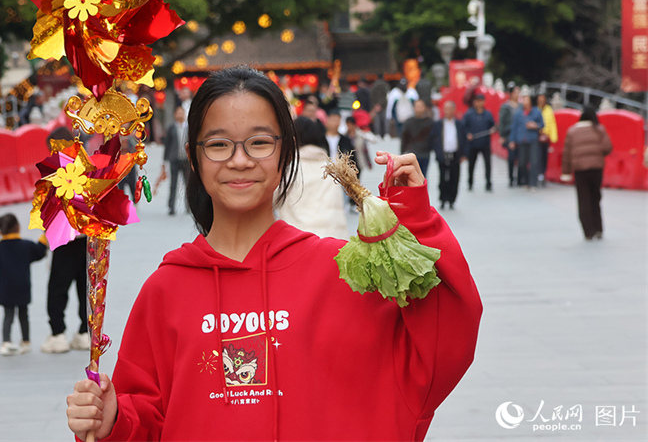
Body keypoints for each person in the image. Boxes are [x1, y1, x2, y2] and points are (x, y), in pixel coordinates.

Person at [66, 65, 482, 442]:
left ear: (285, 154)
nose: (240, 160)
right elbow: (148, 418)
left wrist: (416, 220)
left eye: (259, 143)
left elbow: (443, 341)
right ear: (193, 157)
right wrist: (113, 420)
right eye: (218, 145)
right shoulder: (165, 291)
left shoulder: (342, 273)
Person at [41, 127, 90, 355]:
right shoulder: (87, 168)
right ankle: (83, 333)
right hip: (87, 239)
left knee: (58, 288)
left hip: (65, 240)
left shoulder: (56, 173)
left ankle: (58, 334)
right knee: (84, 287)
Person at [0, 213, 48, 356]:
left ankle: (6, 341)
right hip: (22, 287)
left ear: (0, 231)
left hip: (5, 289)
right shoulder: (26, 246)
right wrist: (44, 235)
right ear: (18, 227)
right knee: (23, 315)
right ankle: (26, 341)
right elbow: (39, 251)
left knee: (8, 315)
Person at [275, 117, 348, 239]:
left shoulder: (289, 170)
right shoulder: (330, 169)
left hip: (297, 239)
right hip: (331, 239)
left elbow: (273, 201)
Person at [561, 105, 612, 241]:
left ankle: (588, 232)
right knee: (595, 198)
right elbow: (608, 147)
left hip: (580, 170)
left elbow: (566, 153)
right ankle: (598, 229)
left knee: (583, 200)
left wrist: (565, 172)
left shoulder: (572, 131)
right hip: (596, 169)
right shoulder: (599, 129)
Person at [431, 101, 468, 210]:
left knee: (454, 177)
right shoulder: (438, 124)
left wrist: (464, 154)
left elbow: (464, 140)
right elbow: (433, 139)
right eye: (445, 109)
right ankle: (442, 199)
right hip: (443, 154)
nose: (447, 111)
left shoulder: (459, 124)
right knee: (443, 178)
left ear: (454, 110)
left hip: (455, 155)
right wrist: (437, 152)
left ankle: (452, 199)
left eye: (449, 109)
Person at [509, 94, 544, 191]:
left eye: (526, 99)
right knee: (522, 162)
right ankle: (526, 180)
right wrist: (512, 140)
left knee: (534, 161)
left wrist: (535, 125)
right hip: (522, 139)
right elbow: (514, 127)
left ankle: (533, 183)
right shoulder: (518, 113)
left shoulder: (536, 111)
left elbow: (542, 124)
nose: (524, 101)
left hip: (533, 139)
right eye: (523, 99)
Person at [462, 93, 496, 192]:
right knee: (471, 164)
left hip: (485, 143)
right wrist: (468, 134)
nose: (479, 103)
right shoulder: (469, 114)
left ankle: (488, 182)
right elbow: (464, 127)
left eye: (481, 101)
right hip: (473, 144)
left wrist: (493, 129)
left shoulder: (488, 114)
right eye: (477, 101)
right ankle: (470, 182)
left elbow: (493, 125)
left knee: (487, 164)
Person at [164, 105, 189, 216]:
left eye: (181, 112)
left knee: (188, 184)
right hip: (174, 159)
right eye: (178, 113)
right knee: (173, 184)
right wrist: (164, 160)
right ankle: (171, 207)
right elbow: (167, 145)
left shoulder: (188, 128)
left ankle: (188, 206)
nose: (180, 115)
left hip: (186, 160)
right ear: (175, 115)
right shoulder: (171, 128)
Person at [400, 99, 433, 175]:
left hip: (425, 154)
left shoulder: (429, 122)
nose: (419, 109)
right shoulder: (408, 122)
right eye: (417, 106)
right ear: (414, 108)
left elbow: (432, 138)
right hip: (411, 154)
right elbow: (404, 139)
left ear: (424, 108)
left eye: (421, 106)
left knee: (423, 176)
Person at [498, 85, 520, 187]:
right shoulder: (505, 107)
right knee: (511, 157)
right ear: (511, 94)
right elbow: (502, 122)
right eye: (516, 92)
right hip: (509, 135)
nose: (518, 94)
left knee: (520, 157)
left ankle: (520, 178)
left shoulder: (520, 106)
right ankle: (511, 178)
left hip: (520, 135)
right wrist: (502, 135)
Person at [537, 93, 558, 187]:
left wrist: (553, 137)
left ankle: (542, 174)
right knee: (536, 157)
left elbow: (552, 123)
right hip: (536, 136)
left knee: (544, 157)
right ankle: (536, 174)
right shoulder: (535, 109)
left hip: (546, 137)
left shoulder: (548, 109)